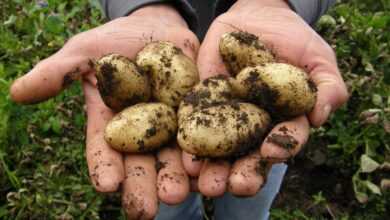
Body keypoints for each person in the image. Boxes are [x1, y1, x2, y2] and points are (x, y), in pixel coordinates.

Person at [10, 0, 349, 219]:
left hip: (260, 92)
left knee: (254, 183)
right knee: (169, 198)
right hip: (168, 51)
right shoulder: (172, 101)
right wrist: (146, 7)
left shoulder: (247, 89)